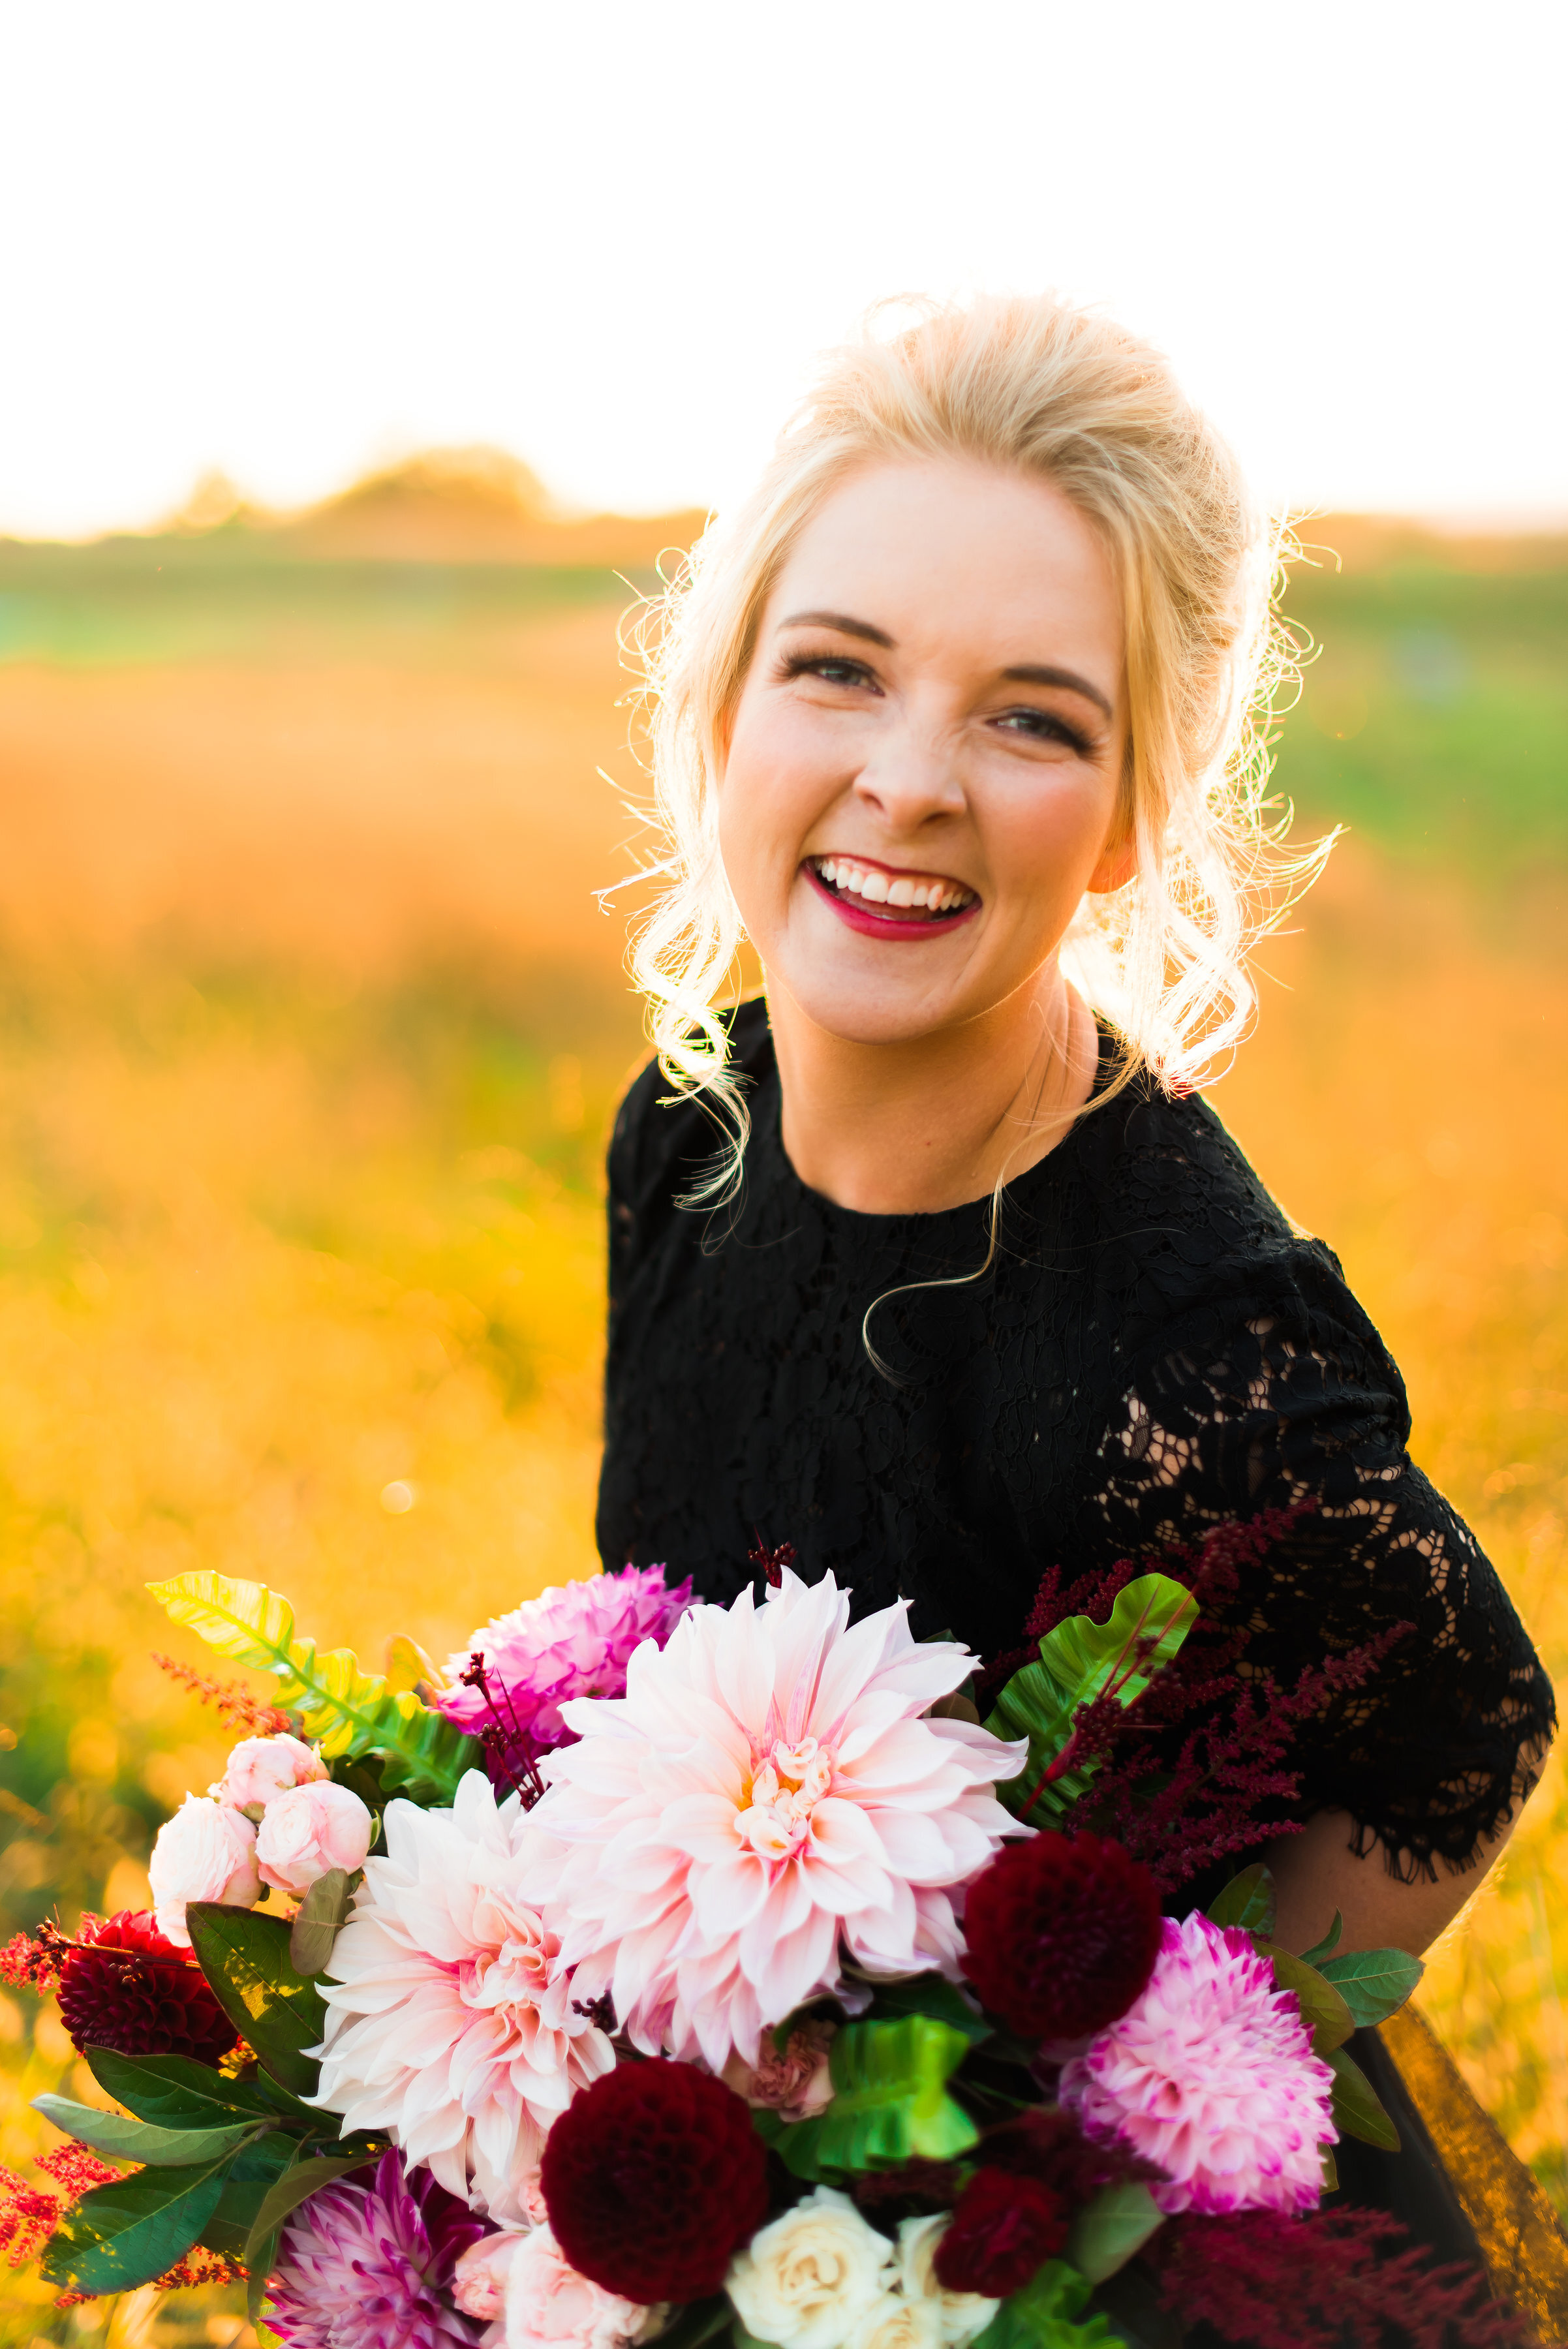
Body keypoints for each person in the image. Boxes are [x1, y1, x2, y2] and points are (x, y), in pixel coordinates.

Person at [593, 294, 1558, 2297]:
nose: (911, 781)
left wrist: (1090, 2161)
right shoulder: (686, 1135)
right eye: (836, 672)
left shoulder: (1180, 1341)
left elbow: (1465, 1719)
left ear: (1130, 811)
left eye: (1033, 717)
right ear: (724, 701)